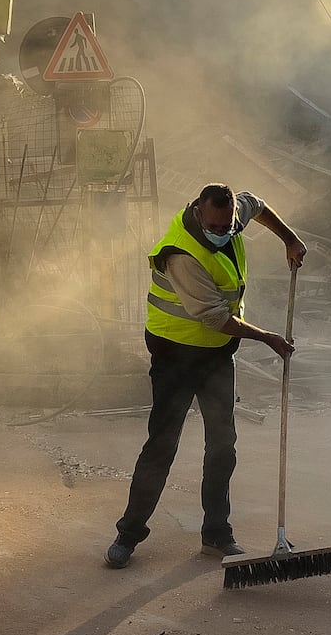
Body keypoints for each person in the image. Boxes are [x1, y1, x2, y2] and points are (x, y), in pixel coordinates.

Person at [105, 183, 306, 569]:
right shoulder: (181, 252)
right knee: (162, 445)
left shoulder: (231, 217)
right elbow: (214, 317)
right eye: (214, 225)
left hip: (215, 354)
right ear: (199, 213)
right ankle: (128, 534)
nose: (221, 231)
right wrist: (267, 338)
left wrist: (290, 239)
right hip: (175, 355)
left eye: (227, 224)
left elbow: (258, 203)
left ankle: (216, 534)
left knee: (222, 444)